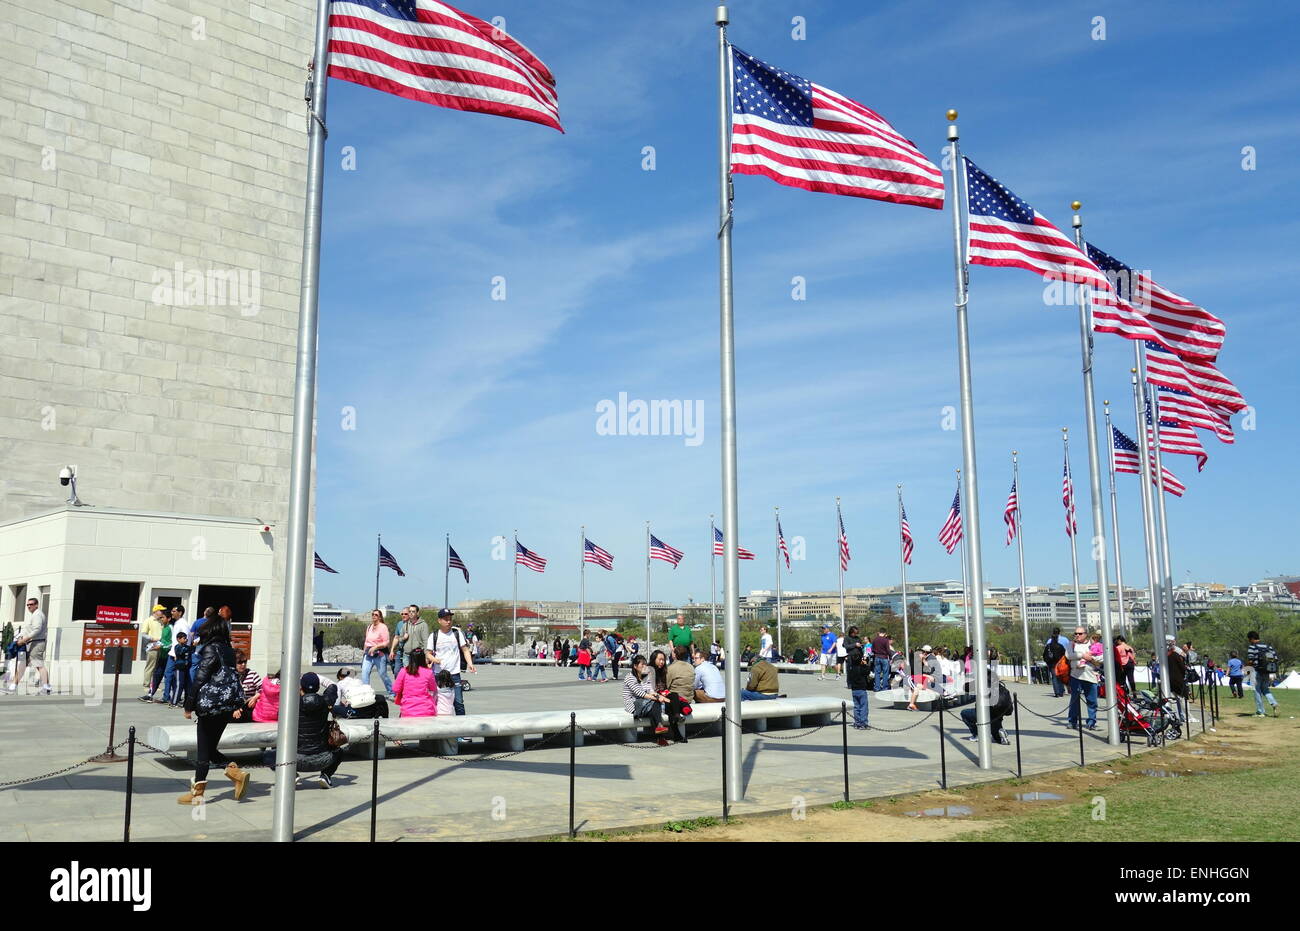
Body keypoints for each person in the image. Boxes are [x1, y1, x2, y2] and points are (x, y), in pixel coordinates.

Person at [179, 616, 251, 804]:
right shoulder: (228, 650)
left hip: (210, 706)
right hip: (226, 706)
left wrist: (188, 705)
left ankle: (197, 795)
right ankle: (237, 774)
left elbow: (200, 678)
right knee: (210, 749)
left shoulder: (211, 649)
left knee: (204, 751)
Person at [294, 672, 342, 787]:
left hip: (294, 760)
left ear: (301, 686)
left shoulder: (293, 703)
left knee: (272, 752)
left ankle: (291, 775)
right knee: (339, 752)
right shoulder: (326, 701)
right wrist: (318, 678)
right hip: (323, 758)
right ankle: (326, 775)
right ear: (318, 687)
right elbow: (333, 686)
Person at [427, 608, 475, 715]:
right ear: (439, 621)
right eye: (445, 619)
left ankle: (462, 726)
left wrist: (470, 664)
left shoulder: (457, 633)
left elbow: (465, 650)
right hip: (439, 674)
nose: (448, 621)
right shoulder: (434, 635)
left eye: (449, 619)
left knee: (458, 702)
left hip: (454, 673)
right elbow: (428, 653)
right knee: (436, 701)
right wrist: (435, 660)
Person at [961, 649, 1013, 744]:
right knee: (994, 724)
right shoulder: (992, 674)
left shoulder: (980, 677)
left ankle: (977, 735)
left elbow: (966, 688)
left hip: (987, 710)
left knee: (965, 713)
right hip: (999, 707)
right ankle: (1000, 734)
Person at [6, 596, 50, 695]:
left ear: (36, 605)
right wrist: (20, 637)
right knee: (23, 665)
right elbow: (30, 629)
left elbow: (37, 630)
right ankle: (13, 686)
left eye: (31, 604)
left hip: (37, 643)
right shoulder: (35, 614)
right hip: (31, 643)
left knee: (39, 665)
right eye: (27, 605)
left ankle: (46, 687)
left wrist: (24, 639)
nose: (29, 606)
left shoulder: (37, 615)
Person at [623, 655, 670, 744]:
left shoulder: (646, 676)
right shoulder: (630, 677)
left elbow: (651, 690)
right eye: (642, 665)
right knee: (655, 704)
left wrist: (660, 696)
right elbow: (640, 693)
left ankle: (660, 735)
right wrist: (658, 698)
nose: (645, 667)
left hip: (647, 703)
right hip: (634, 704)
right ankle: (660, 733)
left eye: (645, 664)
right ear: (635, 666)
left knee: (654, 707)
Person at [1067, 626, 1102, 730]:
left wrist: (1091, 658)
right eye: (1076, 633)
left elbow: (1101, 656)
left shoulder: (1093, 644)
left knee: (1092, 700)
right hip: (1075, 676)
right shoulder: (1071, 644)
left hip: (1091, 676)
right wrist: (1083, 655)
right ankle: (1072, 721)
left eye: (1080, 633)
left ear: (1086, 634)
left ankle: (1091, 721)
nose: (1077, 635)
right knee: (1074, 700)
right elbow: (1069, 655)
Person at [393, 649, 438, 718]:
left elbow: (396, 689)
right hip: (426, 710)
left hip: (408, 710)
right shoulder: (428, 672)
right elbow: (433, 688)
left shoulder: (404, 671)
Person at [664, 645, 695, 742]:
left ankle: (676, 734)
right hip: (688, 698)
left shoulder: (671, 668)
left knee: (671, 702)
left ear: (675, 655)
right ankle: (683, 709)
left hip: (676, 698)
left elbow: (667, 685)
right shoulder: (691, 667)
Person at [1246, 631, 1280, 717]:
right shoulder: (1269, 647)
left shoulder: (1252, 647)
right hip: (1267, 671)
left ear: (1252, 639)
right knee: (1265, 689)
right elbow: (1276, 658)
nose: (1249, 641)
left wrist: (1246, 668)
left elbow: (1251, 660)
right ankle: (1274, 703)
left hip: (1257, 671)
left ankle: (1260, 711)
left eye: (1249, 639)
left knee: (1257, 690)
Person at [361, 610, 394, 696]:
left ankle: (392, 692)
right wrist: (364, 652)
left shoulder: (383, 627)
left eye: (376, 615)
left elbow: (386, 642)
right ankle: (366, 693)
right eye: (373, 614)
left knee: (383, 675)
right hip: (368, 655)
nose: (374, 616)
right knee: (364, 673)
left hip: (379, 654)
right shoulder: (369, 627)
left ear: (380, 617)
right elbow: (366, 641)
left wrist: (376, 647)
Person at [139, 607, 166, 701]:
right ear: (155, 611)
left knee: (157, 667)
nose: (162, 612)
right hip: (152, 646)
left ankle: (153, 685)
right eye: (161, 610)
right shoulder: (148, 620)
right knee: (150, 666)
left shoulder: (161, 621)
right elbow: (143, 634)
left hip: (160, 646)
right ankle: (146, 685)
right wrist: (152, 638)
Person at [227, 650, 262, 723]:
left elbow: (263, 688)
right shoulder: (229, 676)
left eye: (245, 661)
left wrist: (255, 697)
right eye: (240, 662)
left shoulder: (252, 674)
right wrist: (234, 708)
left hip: (248, 706)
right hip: (233, 706)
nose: (243, 664)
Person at [846, 644, 870, 729]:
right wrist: (865, 664)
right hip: (862, 690)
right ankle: (863, 723)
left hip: (854, 690)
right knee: (863, 707)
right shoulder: (862, 667)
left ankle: (857, 722)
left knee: (856, 707)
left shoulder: (851, 668)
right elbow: (867, 672)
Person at [167, 632, 192, 708]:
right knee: (179, 685)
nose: (186, 639)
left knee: (187, 685)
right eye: (184, 638)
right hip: (179, 668)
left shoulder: (187, 647)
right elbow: (180, 652)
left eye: (186, 638)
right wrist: (189, 648)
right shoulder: (177, 647)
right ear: (178, 639)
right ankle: (174, 702)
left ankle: (186, 702)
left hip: (186, 669)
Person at [1043, 627, 1069, 698]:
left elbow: (1045, 654)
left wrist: (1047, 662)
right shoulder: (1064, 641)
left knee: (1054, 677)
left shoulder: (1049, 642)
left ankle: (1057, 692)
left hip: (1051, 663)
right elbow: (1067, 651)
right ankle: (1061, 691)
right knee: (1060, 676)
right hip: (1060, 663)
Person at [870, 628, 892, 692]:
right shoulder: (885, 640)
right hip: (884, 657)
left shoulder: (874, 640)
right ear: (884, 633)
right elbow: (888, 650)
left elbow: (872, 649)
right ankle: (884, 687)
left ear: (878, 632)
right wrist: (890, 657)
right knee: (885, 673)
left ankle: (877, 687)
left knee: (877, 673)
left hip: (877, 657)